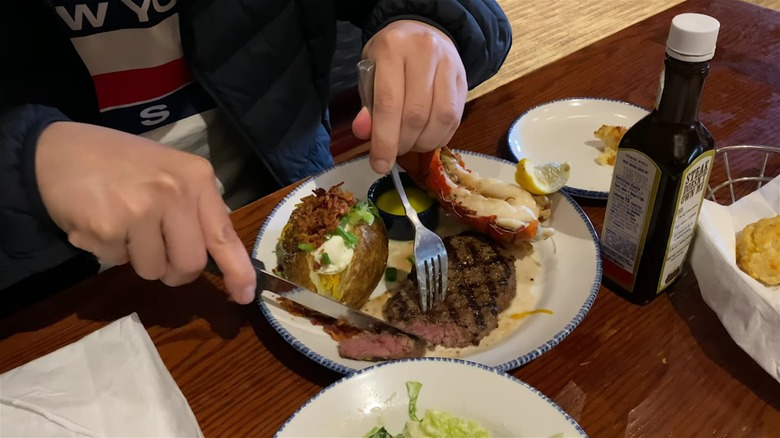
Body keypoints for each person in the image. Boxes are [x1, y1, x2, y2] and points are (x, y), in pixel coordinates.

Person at [0, 0, 511, 307]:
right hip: (46, 290)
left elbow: (472, 17)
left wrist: (430, 23)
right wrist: (24, 163)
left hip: (272, 212)